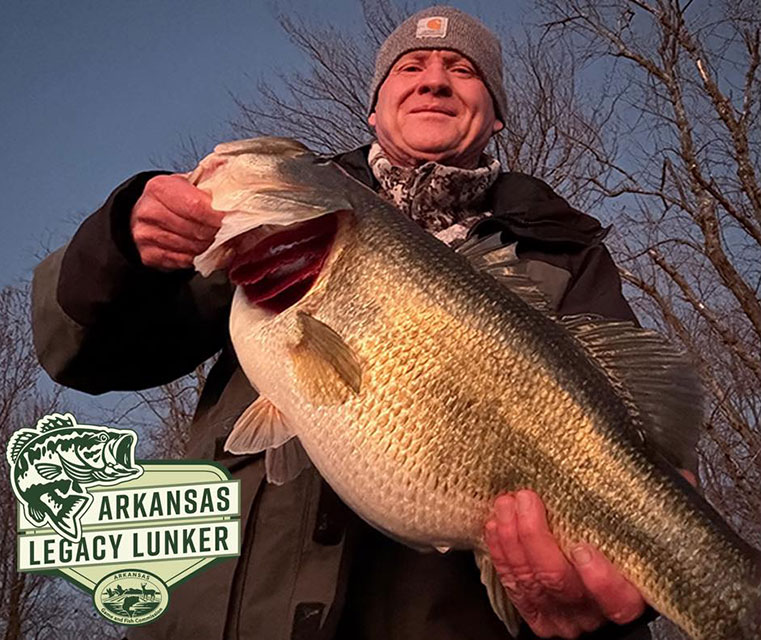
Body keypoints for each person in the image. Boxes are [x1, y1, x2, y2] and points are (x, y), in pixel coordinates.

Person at [32, 6, 694, 639]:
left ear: (496, 116)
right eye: (410, 67)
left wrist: (626, 600)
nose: (434, 80)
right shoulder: (283, 230)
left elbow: (644, 459)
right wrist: (123, 244)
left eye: (463, 70)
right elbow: (88, 353)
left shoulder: (566, 252)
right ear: (374, 109)